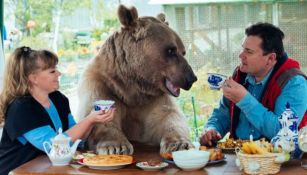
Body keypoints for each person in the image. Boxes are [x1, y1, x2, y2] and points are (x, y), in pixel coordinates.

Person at [0, 46, 116, 174]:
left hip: (46, 170)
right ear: (33, 78)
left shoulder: (58, 98)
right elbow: (55, 146)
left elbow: (76, 139)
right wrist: (89, 119)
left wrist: (95, 119)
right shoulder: (21, 108)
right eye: (52, 71)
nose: (59, 74)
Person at [200, 22, 307, 146]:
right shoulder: (240, 74)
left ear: (270, 59)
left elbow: (283, 132)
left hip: (278, 162)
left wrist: (244, 100)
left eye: (249, 52)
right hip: (239, 156)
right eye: (242, 48)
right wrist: (212, 129)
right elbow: (223, 113)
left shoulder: (295, 83)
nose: (240, 55)